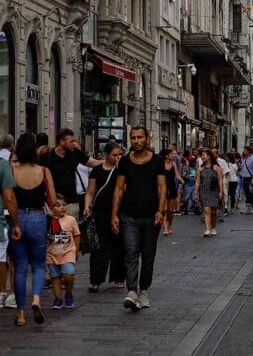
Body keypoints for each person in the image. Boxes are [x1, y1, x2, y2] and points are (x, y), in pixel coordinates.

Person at [111, 126, 166, 311]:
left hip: (151, 215)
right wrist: (114, 214)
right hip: (129, 215)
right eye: (133, 138)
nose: (136, 141)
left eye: (140, 137)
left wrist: (161, 210)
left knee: (148, 255)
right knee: (131, 253)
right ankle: (132, 291)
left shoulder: (157, 161)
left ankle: (144, 290)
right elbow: (119, 189)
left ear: (147, 139)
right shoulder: (125, 162)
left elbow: (162, 187)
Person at [11, 132, 56, 325]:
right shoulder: (44, 171)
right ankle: (36, 299)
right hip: (38, 218)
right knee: (38, 266)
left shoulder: (12, 171)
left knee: (20, 267)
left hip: (18, 217)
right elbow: (52, 201)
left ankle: (21, 315)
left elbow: (9, 198)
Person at [84, 142, 124, 292]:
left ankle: (119, 277)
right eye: (114, 155)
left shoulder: (122, 170)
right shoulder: (97, 170)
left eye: (119, 154)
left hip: (119, 211)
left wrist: (120, 168)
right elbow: (90, 191)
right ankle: (96, 279)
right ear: (106, 155)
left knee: (119, 245)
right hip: (100, 212)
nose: (117, 157)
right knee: (99, 246)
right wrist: (87, 206)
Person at [44, 128, 103, 219]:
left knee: (72, 231)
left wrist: (110, 161)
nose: (74, 144)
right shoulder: (48, 157)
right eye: (71, 141)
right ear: (62, 142)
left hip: (71, 203)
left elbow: (93, 163)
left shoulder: (75, 153)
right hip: (54, 204)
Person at [47, 195, 80, 309]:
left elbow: (77, 235)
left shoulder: (71, 220)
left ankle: (69, 293)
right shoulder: (48, 221)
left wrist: (76, 250)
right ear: (51, 208)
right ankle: (58, 299)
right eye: (58, 205)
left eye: (64, 205)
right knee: (55, 277)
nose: (62, 208)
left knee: (68, 274)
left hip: (68, 253)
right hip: (52, 254)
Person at [0, 151, 20, 311]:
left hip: (10, 219)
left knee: (12, 259)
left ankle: (11, 293)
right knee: (4, 259)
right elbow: (8, 198)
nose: (16, 164)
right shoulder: (5, 171)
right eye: (14, 161)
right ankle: (4, 293)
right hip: (5, 218)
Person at [195, 149, 224, 237]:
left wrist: (221, 191)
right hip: (204, 190)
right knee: (206, 210)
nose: (202, 157)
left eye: (204, 155)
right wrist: (196, 192)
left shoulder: (216, 167)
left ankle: (213, 228)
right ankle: (207, 230)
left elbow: (220, 180)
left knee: (214, 211)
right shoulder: (200, 168)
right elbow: (198, 181)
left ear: (209, 156)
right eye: (202, 155)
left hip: (214, 190)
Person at [160, 148, 183, 236]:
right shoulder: (161, 164)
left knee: (171, 210)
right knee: (164, 209)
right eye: (171, 154)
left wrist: (181, 180)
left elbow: (177, 174)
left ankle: (170, 225)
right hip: (163, 188)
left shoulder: (173, 164)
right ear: (166, 155)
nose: (173, 156)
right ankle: (165, 228)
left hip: (172, 187)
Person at [240, 146, 253, 214]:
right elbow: (242, 167)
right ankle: (248, 207)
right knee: (246, 193)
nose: (244, 151)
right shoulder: (245, 158)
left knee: (251, 193)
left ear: (248, 151)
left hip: (250, 178)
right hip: (244, 178)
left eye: (245, 150)